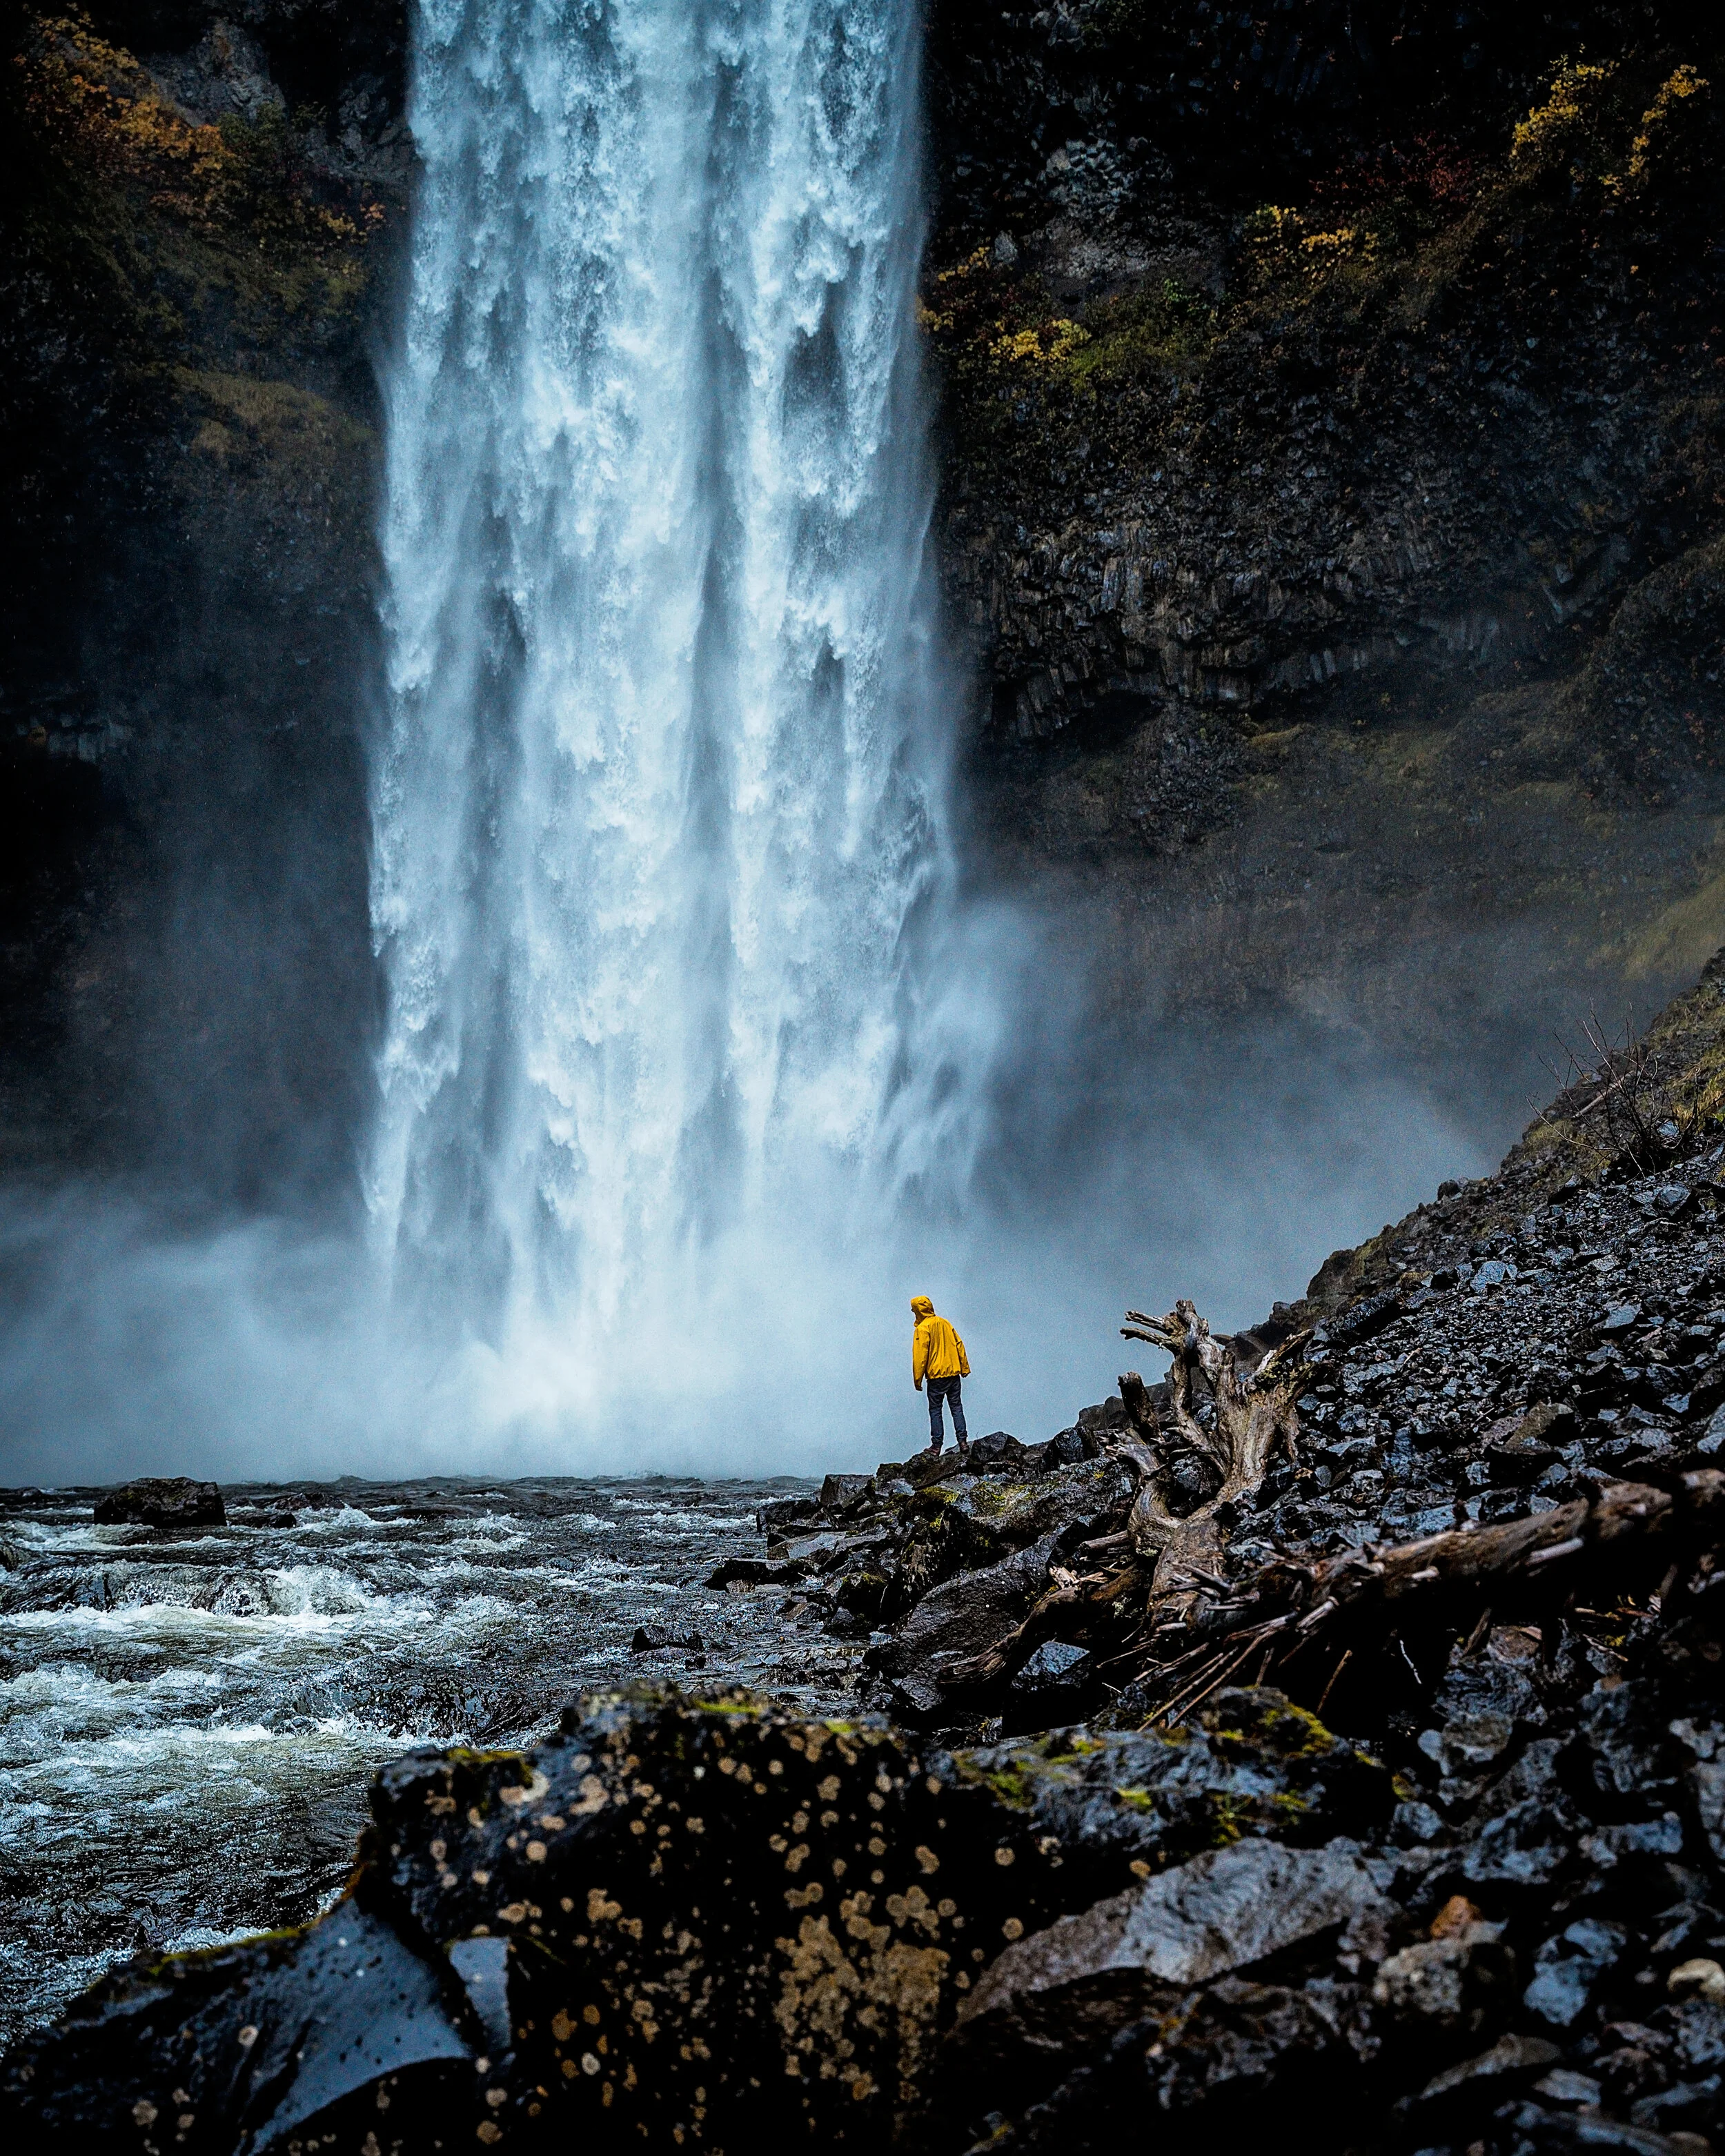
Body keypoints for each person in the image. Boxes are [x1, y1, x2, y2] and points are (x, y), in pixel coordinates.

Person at [910, 1294, 970, 1453]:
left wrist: (918, 1379)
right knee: (956, 1407)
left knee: (936, 1410)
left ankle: (936, 1446)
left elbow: (920, 1357)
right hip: (954, 1374)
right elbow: (959, 1345)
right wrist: (964, 1367)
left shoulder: (922, 1329)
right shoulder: (945, 1323)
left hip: (936, 1377)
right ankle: (963, 1442)